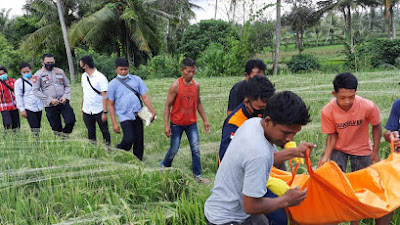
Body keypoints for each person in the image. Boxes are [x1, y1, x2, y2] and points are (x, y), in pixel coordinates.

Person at [204, 91, 315, 225]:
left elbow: (267, 158)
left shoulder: (254, 124)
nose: (290, 139)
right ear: (268, 121)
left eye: (294, 134)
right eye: (286, 133)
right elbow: (251, 206)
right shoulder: (258, 152)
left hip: (224, 206)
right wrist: (286, 200)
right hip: (228, 219)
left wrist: (294, 152)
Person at [317, 73, 391, 225]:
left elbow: (376, 126)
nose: (347, 101)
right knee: (335, 187)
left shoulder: (367, 106)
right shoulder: (328, 110)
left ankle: (355, 221)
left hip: (362, 148)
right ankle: (334, 218)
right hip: (339, 149)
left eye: (351, 96)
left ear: (355, 92)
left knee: (361, 187)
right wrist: (326, 156)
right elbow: (331, 135)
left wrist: (375, 151)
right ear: (334, 94)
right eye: (342, 97)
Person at [160, 58, 210, 184]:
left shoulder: (196, 86)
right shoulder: (176, 86)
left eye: (193, 72)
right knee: (174, 149)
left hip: (191, 124)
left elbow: (198, 103)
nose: (191, 74)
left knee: (196, 149)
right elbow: (167, 106)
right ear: (182, 71)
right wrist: (166, 125)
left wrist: (205, 120)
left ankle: (197, 176)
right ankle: (164, 167)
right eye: (189, 72)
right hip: (176, 124)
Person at [107, 58, 156, 160]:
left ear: (128, 68)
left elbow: (145, 97)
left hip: (138, 113)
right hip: (124, 115)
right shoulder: (112, 84)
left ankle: (138, 161)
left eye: (125, 69)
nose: (124, 72)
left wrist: (152, 111)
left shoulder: (136, 80)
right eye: (121, 69)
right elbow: (111, 104)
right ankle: (118, 150)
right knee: (129, 139)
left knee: (139, 140)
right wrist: (114, 123)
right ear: (116, 69)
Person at [219, 75, 275, 164]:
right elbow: (226, 160)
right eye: (260, 108)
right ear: (246, 102)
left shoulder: (265, 112)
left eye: (265, 108)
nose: (262, 113)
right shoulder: (234, 124)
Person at [32, 53, 76, 136]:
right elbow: (35, 90)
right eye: (48, 62)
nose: (50, 64)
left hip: (63, 102)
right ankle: (62, 140)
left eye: (52, 62)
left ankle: (65, 135)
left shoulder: (60, 71)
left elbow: (67, 85)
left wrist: (65, 97)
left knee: (71, 120)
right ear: (43, 62)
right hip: (50, 105)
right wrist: (49, 100)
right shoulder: (38, 74)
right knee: (56, 127)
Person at [80, 55, 111, 146]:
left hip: (99, 109)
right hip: (87, 110)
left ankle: (108, 148)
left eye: (81, 64)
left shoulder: (100, 77)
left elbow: (105, 96)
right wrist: (82, 107)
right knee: (90, 132)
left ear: (85, 65)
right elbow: (84, 92)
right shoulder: (83, 76)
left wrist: (105, 112)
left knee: (104, 130)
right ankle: (93, 149)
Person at [14, 63, 44, 134]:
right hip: (29, 107)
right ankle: (36, 140)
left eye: (27, 71)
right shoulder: (18, 82)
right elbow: (18, 96)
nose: (26, 73)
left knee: (38, 125)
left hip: (39, 106)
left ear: (31, 70)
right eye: (24, 72)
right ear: (21, 72)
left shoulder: (37, 79)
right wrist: (22, 109)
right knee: (34, 126)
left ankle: (38, 139)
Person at [0, 66, 20, 131]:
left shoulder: (13, 81)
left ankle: (16, 136)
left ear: (6, 73)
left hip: (14, 105)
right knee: (7, 123)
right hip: (4, 107)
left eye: (3, 74)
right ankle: (7, 136)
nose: (2, 75)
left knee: (16, 124)